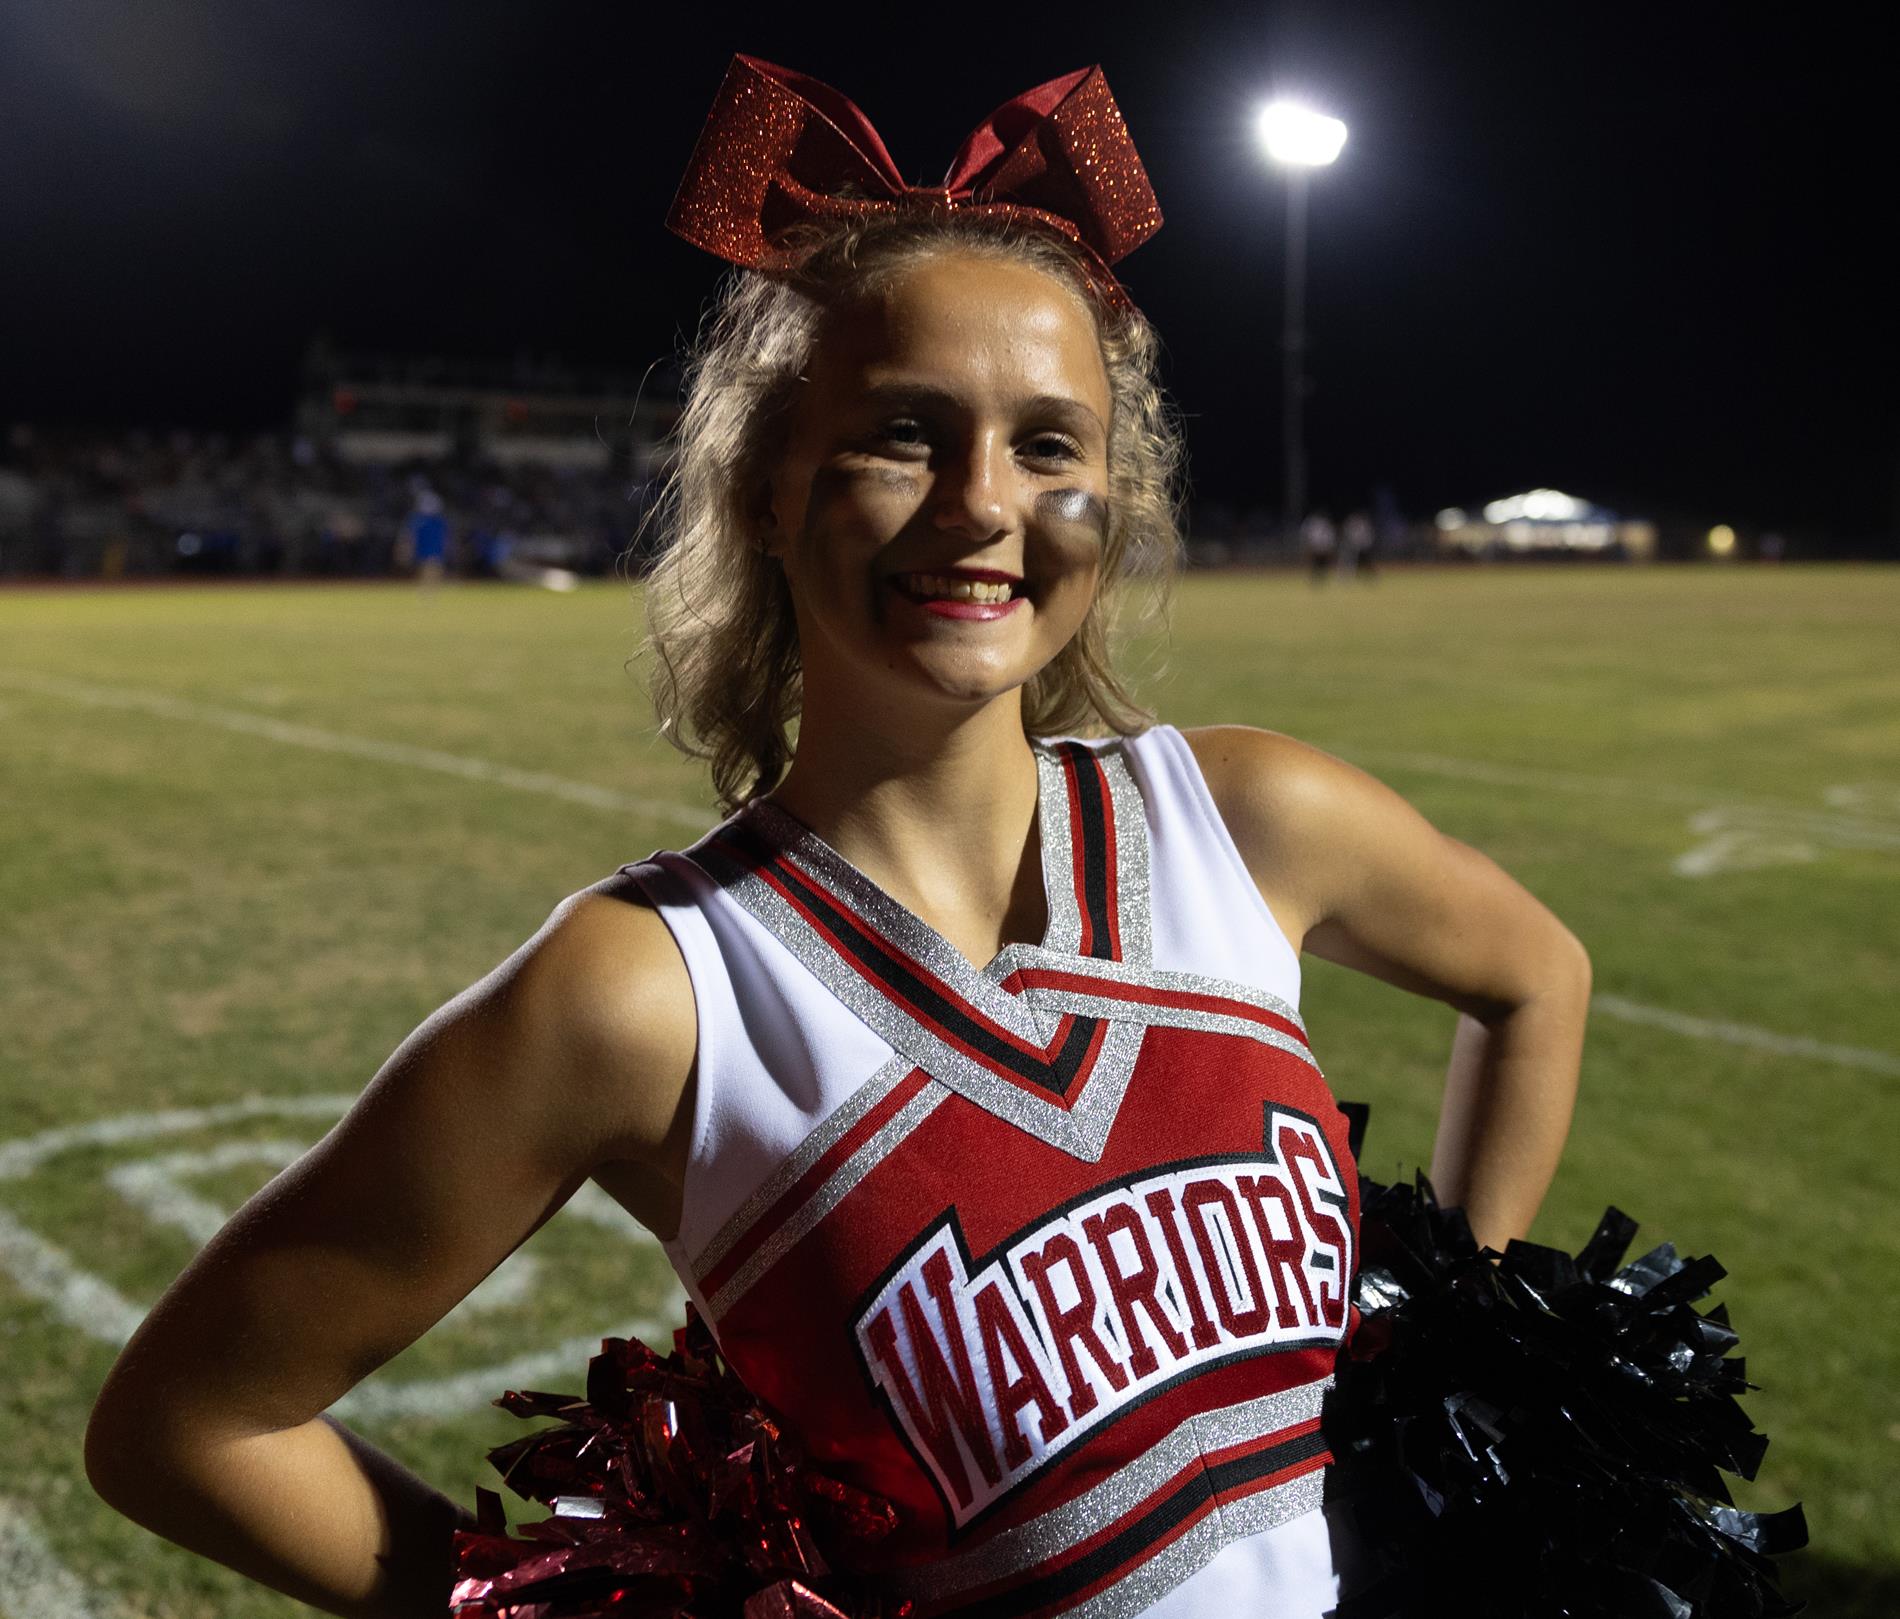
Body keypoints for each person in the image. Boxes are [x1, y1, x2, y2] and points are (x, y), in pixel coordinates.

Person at [82, 56, 1589, 1619]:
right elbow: (189, 1425)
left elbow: (1537, 978)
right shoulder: (651, 991)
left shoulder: (1245, 818)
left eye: (1049, 447)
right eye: (903, 436)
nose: (982, 507)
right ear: (763, 488)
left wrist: (1438, 1389)